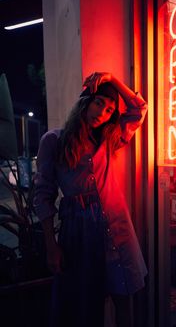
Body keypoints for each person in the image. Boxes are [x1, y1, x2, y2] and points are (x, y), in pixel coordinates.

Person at [33, 72, 148, 327]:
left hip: (116, 226)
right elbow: (43, 195)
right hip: (79, 230)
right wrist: (51, 245)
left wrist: (113, 79)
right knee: (84, 302)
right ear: (86, 101)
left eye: (109, 110)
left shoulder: (108, 139)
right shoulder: (53, 141)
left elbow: (139, 108)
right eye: (99, 103)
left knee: (123, 295)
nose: (103, 113)